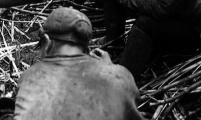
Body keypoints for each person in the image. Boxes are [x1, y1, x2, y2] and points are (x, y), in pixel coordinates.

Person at [12, 7, 143, 120]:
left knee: (5, 108)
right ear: (87, 48)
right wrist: (110, 70)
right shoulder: (121, 76)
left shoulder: (30, 77)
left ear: (46, 42)